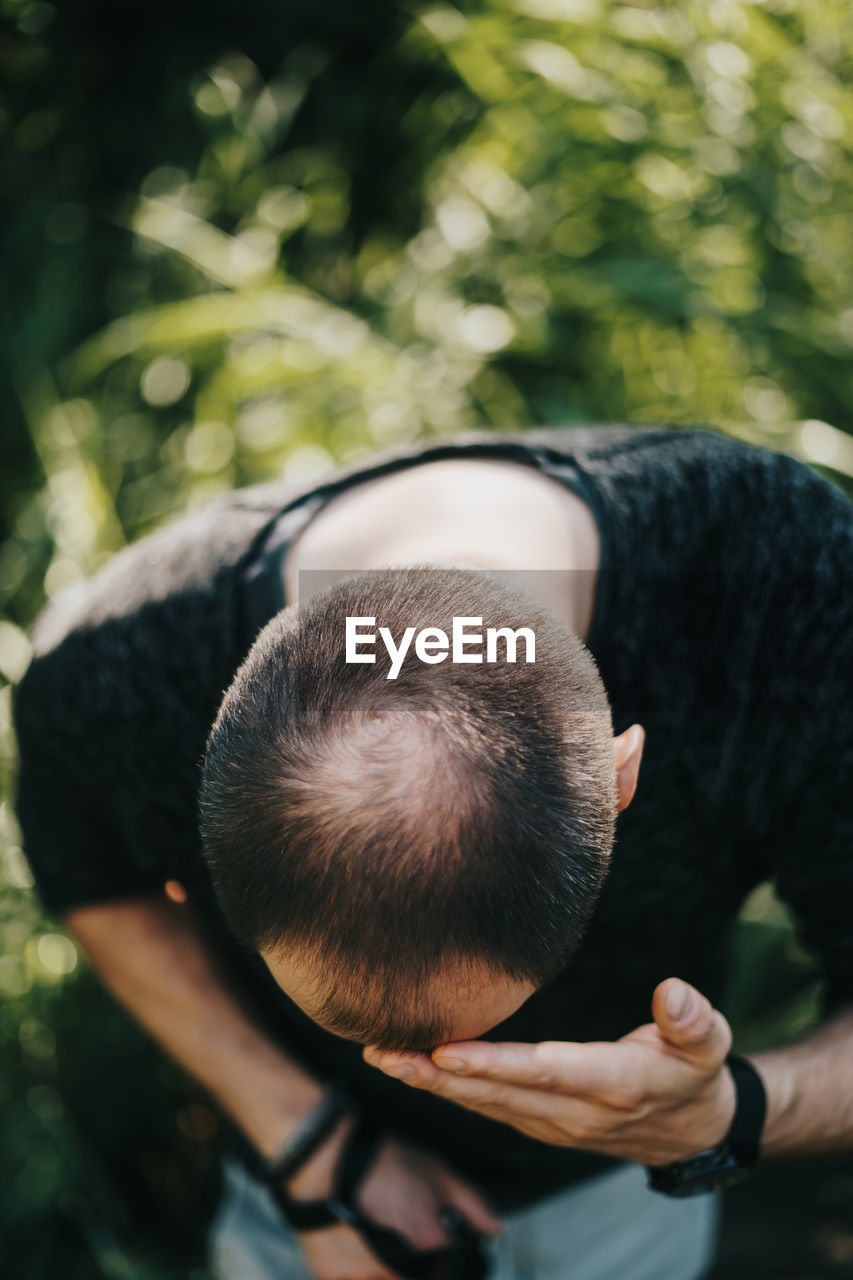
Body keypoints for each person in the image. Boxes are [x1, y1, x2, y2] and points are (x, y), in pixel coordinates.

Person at [13, 423, 853, 1280]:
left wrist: (726, 1114)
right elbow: (99, 884)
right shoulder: (108, 677)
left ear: (618, 778)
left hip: (625, 1191)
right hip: (309, 1202)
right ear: (196, 775)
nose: (432, 1075)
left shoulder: (779, 595)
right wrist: (309, 1145)